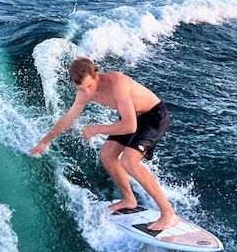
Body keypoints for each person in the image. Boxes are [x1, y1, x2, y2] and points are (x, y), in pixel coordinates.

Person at [29, 57, 179, 231]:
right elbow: (67, 120)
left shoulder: (117, 83)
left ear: (96, 75)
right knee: (107, 155)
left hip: (153, 116)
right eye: (81, 88)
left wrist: (98, 129)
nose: (88, 92)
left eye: (90, 86)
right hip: (132, 118)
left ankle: (168, 213)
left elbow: (130, 126)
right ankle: (129, 199)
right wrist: (44, 141)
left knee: (129, 161)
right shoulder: (84, 93)